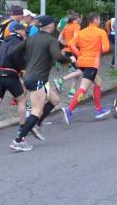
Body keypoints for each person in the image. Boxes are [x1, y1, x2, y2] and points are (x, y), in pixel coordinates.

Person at [13, 15, 74, 150]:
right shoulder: (51, 40)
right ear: (50, 25)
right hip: (37, 79)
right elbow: (57, 56)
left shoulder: (30, 38)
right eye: (53, 24)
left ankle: (36, 124)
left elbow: (14, 52)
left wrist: (24, 66)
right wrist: (70, 60)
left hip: (29, 77)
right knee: (36, 110)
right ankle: (19, 140)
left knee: (54, 100)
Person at [62, 13, 111, 125]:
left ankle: (99, 109)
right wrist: (98, 48)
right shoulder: (101, 32)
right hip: (92, 63)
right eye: (99, 19)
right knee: (83, 88)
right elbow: (106, 48)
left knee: (98, 83)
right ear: (96, 20)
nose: (100, 21)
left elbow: (70, 44)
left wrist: (79, 53)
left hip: (82, 62)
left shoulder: (82, 32)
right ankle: (69, 110)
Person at [54, 13, 83, 98]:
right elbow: (76, 38)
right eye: (81, 18)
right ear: (77, 19)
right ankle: (60, 80)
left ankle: (72, 91)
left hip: (67, 51)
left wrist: (67, 44)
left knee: (76, 71)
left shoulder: (66, 26)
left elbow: (59, 39)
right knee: (80, 71)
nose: (81, 20)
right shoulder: (77, 26)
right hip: (74, 51)